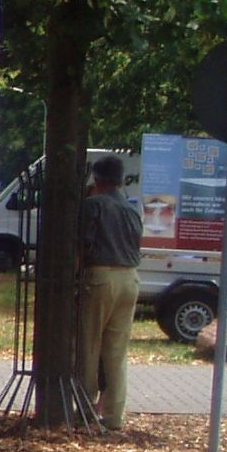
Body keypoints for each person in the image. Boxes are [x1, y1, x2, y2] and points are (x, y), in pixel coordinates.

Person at [79, 153, 144, 429]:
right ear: (120, 181)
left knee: (88, 345)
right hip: (130, 278)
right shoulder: (131, 209)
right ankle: (114, 415)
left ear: (96, 178)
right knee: (117, 351)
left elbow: (83, 246)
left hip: (101, 277)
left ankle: (84, 409)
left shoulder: (93, 205)